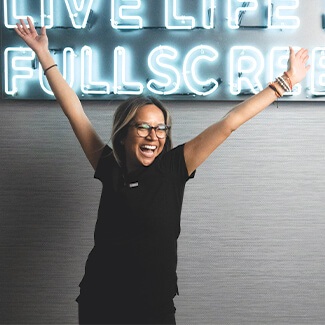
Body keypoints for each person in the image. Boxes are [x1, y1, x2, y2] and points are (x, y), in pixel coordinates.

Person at [15, 17, 310, 325]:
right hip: (100, 301)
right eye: (143, 127)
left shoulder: (174, 167)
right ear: (125, 133)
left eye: (160, 129)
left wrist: (285, 81)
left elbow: (229, 123)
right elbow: (73, 109)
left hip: (153, 307)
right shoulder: (108, 166)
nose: (153, 136)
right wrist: (44, 54)